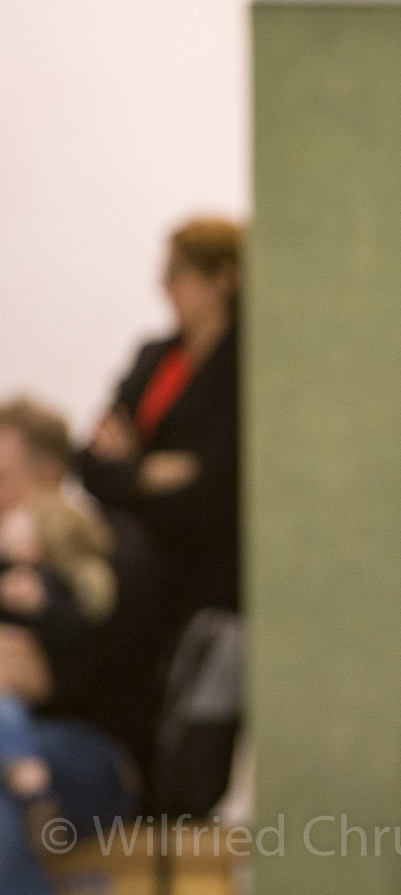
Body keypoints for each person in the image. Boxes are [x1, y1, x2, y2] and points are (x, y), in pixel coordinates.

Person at [78, 216, 243, 786]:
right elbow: (91, 462)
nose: (164, 286)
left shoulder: (246, 364)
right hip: (136, 552)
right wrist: (150, 474)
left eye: (178, 273)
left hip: (203, 565)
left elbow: (218, 482)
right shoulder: (155, 357)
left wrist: (130, 466)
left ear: (223, 278)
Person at [0, 398, 135, 895]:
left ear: (51, 475)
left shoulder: (107, 549)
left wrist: (47, 678)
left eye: (3, 478)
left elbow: (122, 666)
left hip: (89, 750)